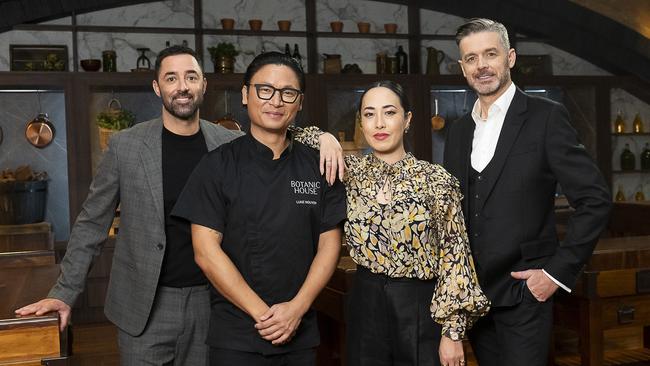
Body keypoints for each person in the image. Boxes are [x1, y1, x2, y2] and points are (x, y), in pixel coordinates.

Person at [15, 46, 340, 365]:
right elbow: (91, 224)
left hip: (210, 300)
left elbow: (273, 127)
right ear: (157, 87)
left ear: (203, 85)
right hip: (145, 302)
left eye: (191, 77)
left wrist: (323, 137)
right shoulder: (126, 146)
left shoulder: (226, 142)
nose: (182, 86)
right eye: (171, 78)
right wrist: (63, 292)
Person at [443, 18, 612, 366]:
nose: (482, 66)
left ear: (511, 58)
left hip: (526, 292)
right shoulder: (458, 131)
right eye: (471, 58)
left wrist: (554, 275)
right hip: (474, 299)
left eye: (491, 54)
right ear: (462, 68)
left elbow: (595, 199)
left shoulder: (546, 117)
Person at [170, 52, 347, 366]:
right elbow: (205, 251)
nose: (275, 101)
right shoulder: (217, 165)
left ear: (300, 102)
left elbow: (328, 246)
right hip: (237, 333)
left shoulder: (320, 164)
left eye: (287, 93)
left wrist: (295, 309)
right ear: (245, 94)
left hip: (300, 330)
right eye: (264, 90)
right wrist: (265, 315)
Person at [296, 80, 489, 366]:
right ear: (361, 123)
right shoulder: (349, 172)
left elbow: (455, 256)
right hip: (365, 301)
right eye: (369, 114)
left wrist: (452, 333)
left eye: (389, 112)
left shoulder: (436, 180)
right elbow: (284, 131)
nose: (379, 123)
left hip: (420, 306)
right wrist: (325, 137)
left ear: (407, 119)